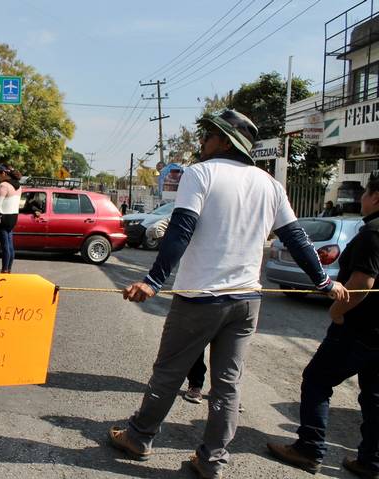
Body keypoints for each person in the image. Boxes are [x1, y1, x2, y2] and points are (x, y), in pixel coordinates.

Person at [107, 110, 348, 479]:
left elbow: (181, 229)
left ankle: (139, 437)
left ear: (224, 141)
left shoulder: (200, 174)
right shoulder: (269, 184)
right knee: (228, 387)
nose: (202, 142)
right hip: (246, 302)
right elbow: (296, 237)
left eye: (208, 136)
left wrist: (154, 280)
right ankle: (213, 460)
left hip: (199, 299)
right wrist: (323, 282)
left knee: (168, 374)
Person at [267, 170, 379, 478]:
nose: (363, 199)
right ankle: (370, 462)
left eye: (366, 193)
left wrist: (337, 311)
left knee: (317, 380)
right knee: (374, 396)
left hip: (359, 330)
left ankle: (309, 449)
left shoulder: (372, 234)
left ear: (376, 197)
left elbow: (363, 282)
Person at [0, 164, 22, 274]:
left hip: (3, 216)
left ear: (4, 173)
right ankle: (8, 268)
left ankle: (4, 269)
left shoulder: (3, 185)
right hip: (13, 216)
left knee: (4, 245)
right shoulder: (18, 186)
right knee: (10, 244)